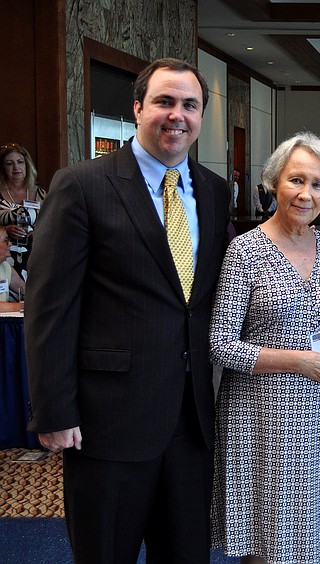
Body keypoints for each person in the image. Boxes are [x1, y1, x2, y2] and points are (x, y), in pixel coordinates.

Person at [25, 58, 231, 562]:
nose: (176, 115)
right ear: (138, 108)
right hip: (107, 423)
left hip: (191, 423)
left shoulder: (214, 190)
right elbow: (49, 307)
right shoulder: (81, 185)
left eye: (190, 105)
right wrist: (54, 408)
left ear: (201, 116)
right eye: (164, 101)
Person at [210, 132, 320, 563]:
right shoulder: (245, 251)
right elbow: (220, 344)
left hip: (317, 413)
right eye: (296, 180)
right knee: (265, 541)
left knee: (312, 539)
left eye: (317, 184)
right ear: (274, 183)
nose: (306, 193)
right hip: (259, 416)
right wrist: (298, 361)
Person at [0, 142, 46, 278]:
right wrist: (5, 230)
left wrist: (38, 232)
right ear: (2, 167)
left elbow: (53, 224)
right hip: (4, 260)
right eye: (9, 163)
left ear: (27, 165)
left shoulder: (40, 194)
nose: (16, 168)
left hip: (35, 257)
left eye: (20, 162)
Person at [0, 227, 25, 312]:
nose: (10, 244)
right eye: (6, 240)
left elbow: (24, 289)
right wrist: (24, 306)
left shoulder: (5, 266)